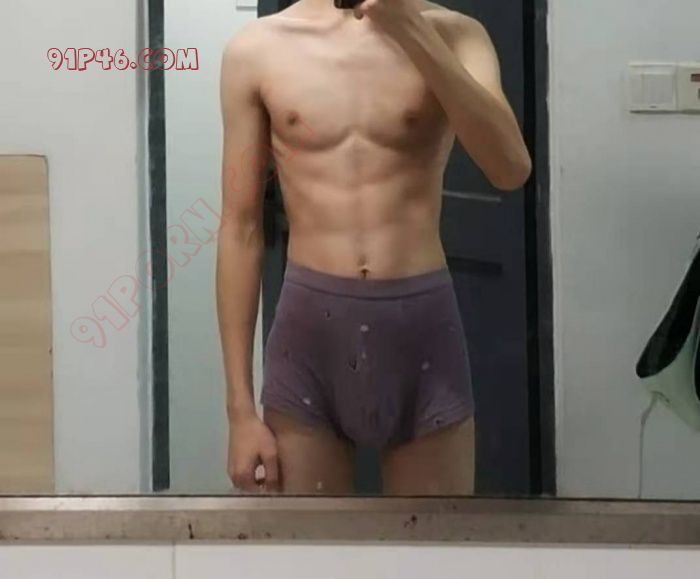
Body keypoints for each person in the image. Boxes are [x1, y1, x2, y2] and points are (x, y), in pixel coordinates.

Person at [216, 0, 531, 496]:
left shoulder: (457, 35)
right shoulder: (257, 48)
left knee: (432, 541)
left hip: (422, 333)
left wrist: (409, 28)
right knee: (310, 543)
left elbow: (510, 169)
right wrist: (239, 411)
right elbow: (240, 227)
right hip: (310, 338)